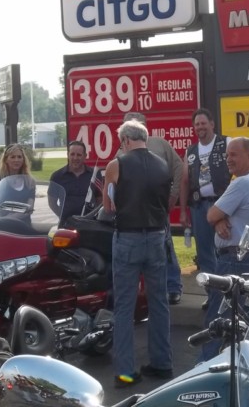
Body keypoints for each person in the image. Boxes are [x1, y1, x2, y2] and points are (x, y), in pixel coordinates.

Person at [103, 119, 173, 388]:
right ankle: (162, 363)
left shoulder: (117, 164)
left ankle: (125, 372)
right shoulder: (162, 164)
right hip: (156, 236)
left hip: (128, 237)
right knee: (159, 303)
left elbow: (108, 206)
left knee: (124, 306)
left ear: (125, 140)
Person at [201, 137, 249, 361]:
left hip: (235, 259)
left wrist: (218, 218)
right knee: (246, 319)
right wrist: (220, 220)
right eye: (227, 155)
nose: (228, 159)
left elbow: (211, 214)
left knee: (219, 320)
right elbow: (219, 216)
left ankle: (206, 366)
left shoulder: (242, 183)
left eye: (234, 154)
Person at [123, 112, 184, 305]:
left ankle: (173, 287)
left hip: (157, 207)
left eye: (138, 125)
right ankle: (146, 289)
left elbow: (179, 167)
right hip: (135, 213)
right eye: (129, 125)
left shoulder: (160, 144)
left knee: (166, 246)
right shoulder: (122, 151)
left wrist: (173, 194)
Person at [180, 108, 231, 309]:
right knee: (205, 254)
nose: (200, 127)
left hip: (222, 205)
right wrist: (183, 211)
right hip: (199, 206)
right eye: (197, 124)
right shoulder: (190, 151)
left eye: (203, 123)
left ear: (212, 124)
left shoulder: (226, 143)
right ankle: (214, 297)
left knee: (226, 250)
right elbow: (185, 181)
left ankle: (230, 297)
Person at [48, 140, 102, 225]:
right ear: (68, 155)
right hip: (66, 224)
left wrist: (92, 217)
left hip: (89, 224)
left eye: (79, 155)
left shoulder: (94, 175)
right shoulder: (57, 176)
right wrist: (63, 217)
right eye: (72, 154)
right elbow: (52, 203)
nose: (75, 158)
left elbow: (100, 200)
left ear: (85, 156)